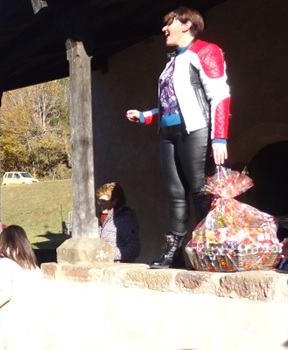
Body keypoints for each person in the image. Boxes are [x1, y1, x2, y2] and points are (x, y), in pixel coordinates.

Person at [125, 7, 231, 269]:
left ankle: (212, 247)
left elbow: (220, 95)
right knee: (175, 193)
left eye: (169, 23)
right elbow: (170, 104)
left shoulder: (206, 51)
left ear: (186, 25)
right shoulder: (172, 60)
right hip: (169, 134)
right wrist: (145, 116)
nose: (164, 29)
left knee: (200, 190)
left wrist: (219, 138)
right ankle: (173, 251)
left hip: (196, 130)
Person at [0, 225, 43, 349]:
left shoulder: (4, 264)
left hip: (7, 328)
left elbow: (2, 293)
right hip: (29, 328)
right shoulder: (34, 268)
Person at [96, 182, 141, 263]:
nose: (100, 204)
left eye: (103, 201)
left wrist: (108, 254)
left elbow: (134, 249)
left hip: (119, 268)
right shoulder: (101, 217)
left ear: (115, 200)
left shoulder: (126, 219)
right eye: (99, 201)